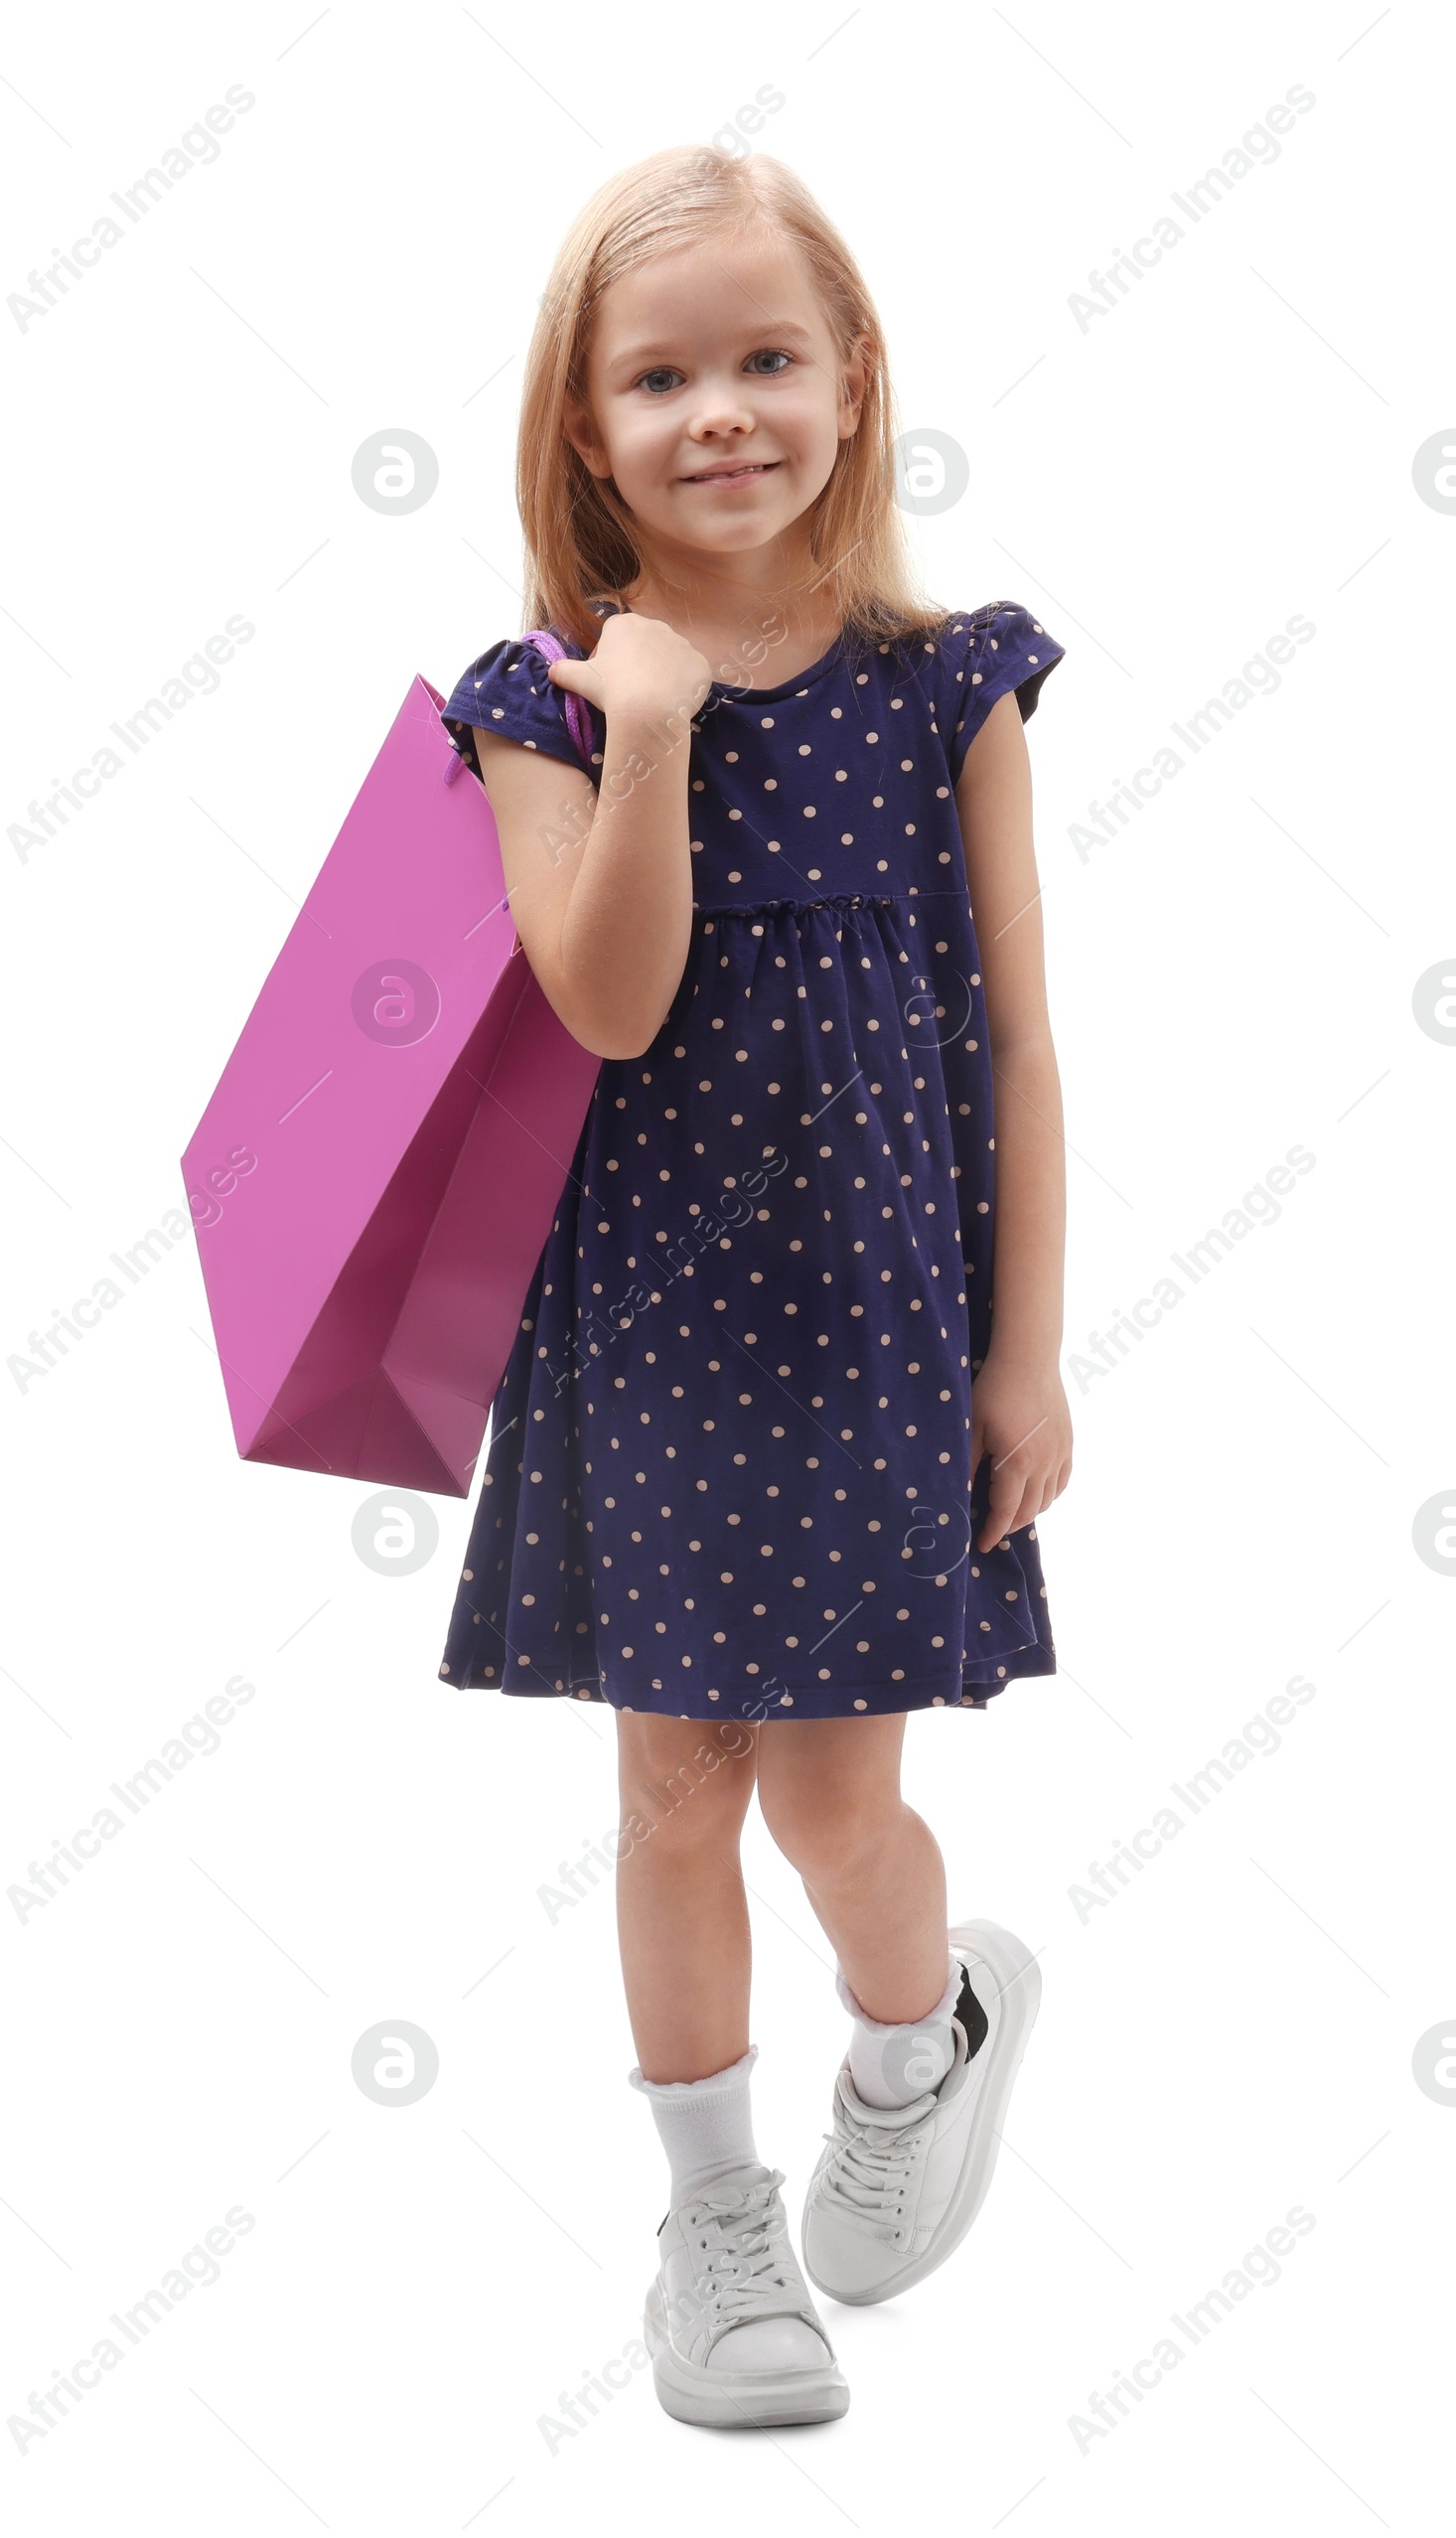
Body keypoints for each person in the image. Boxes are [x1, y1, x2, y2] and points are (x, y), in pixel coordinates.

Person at [435, 143, 1073, 2432]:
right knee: (676, 1788)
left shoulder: (945, 685)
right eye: (661, 375)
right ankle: (713, 2228)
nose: (721, 411)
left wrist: (1024, 1345)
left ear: (848, 380)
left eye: (765, 360)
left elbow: (1013, 1034)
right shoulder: (537, 703)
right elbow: (604, 1005)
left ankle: (919, 2042)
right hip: (646, 1336)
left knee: (832, 1809)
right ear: (582, 428)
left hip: (884, 1328)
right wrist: (656, 725)